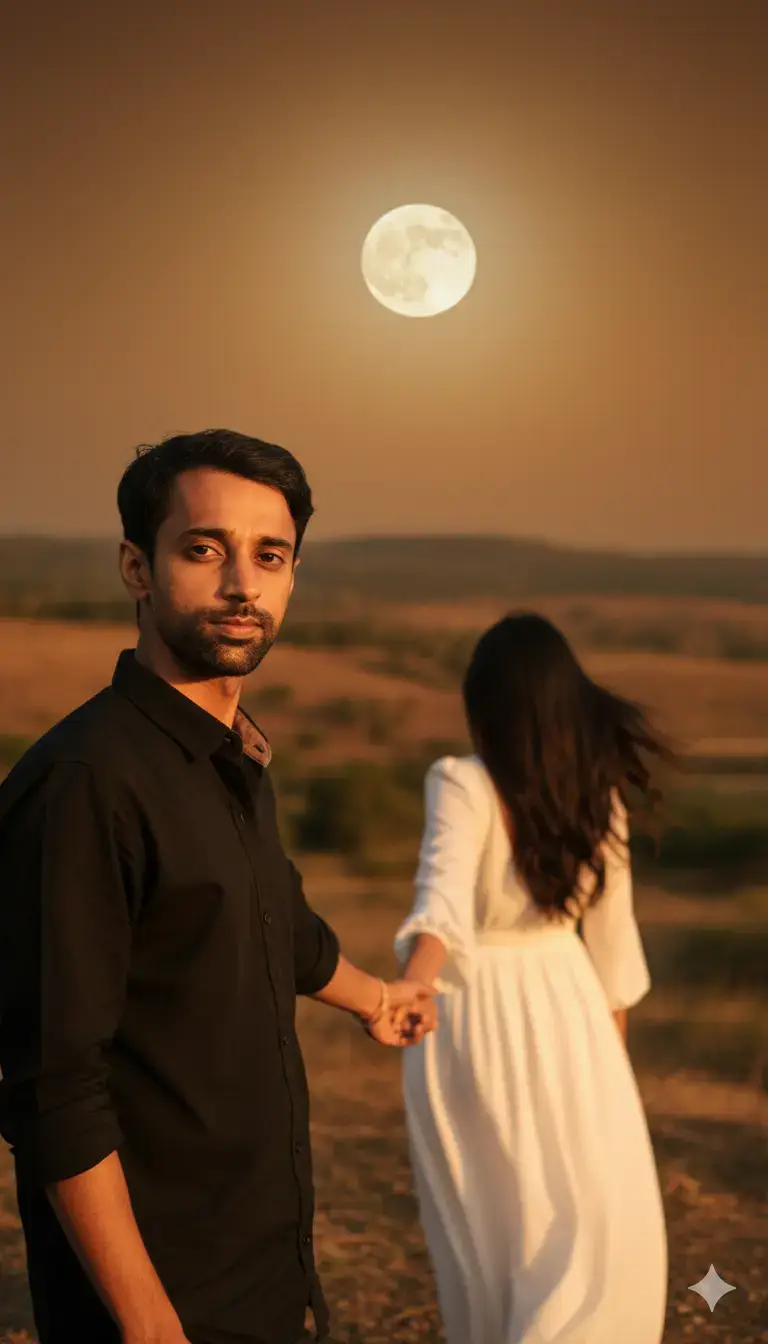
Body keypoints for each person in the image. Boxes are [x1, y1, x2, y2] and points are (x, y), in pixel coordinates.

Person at [0, 429, 435, 1344]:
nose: (243, 583)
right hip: (160, 1295)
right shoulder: (88, 783)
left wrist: (375, 1000)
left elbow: (267, 914)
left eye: (269, 556)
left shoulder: (228, 756)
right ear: (136, 566)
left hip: (266, 1265)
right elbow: (52, 1088)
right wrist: (147, 1323)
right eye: (204, 549)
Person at [395, 612, 671, 1344]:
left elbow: (441, 903)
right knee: (581, 1223)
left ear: (487, 707)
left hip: (473, 1011)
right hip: (574, 1009)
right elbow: (614, 961)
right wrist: (609, 1083)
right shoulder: (599, 796)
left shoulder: (461, 781)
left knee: (495, 1228)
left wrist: (417, 984)